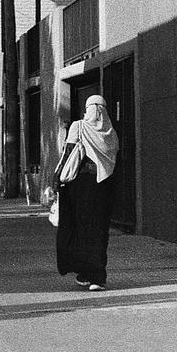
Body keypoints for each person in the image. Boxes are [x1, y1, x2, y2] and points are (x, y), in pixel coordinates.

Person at [53, 95, 119, 291]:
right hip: (103, 187)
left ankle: (83, 270)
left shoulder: (79, 126)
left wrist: (56, 179)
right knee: (98, 231)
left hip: (79, 187)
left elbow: (67, 154)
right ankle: (97, 277)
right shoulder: (111, 133)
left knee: (77, 228)